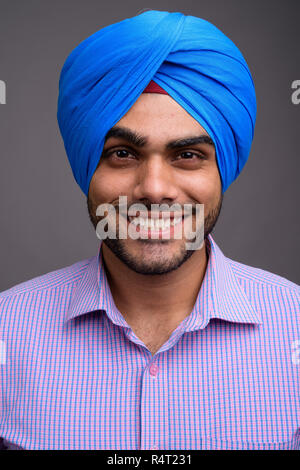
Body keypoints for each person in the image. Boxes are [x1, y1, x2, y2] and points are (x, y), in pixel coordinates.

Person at [0, 10, 299, 450]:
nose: (154, 190)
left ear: (223, 170)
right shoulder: (7, 331)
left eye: (188, 155)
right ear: (88, 167)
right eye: (122, 154)